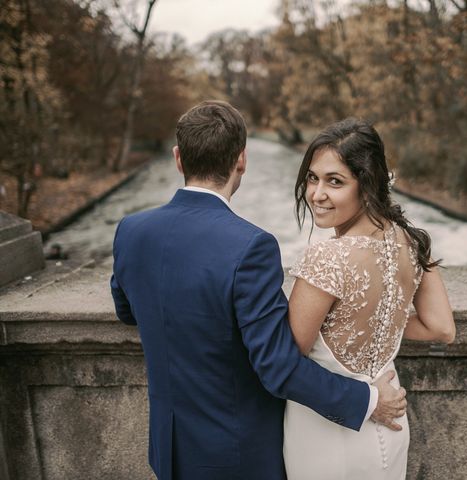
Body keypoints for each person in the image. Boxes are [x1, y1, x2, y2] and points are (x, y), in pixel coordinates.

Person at [110, 102, 406, 480]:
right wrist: (368, 401)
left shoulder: (131, 231)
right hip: (237, 456)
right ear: (242, 160)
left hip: (168, 447)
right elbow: (279, 367)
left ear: (178, 158)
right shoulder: (251, 246)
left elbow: (127, 309)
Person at [283, 118, 455, 479]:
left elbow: (286, 360)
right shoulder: (412, 242)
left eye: (335, 181)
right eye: (312, 178)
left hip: (326, 431)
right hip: (390, 424)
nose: (316, 193)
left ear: (368, 185)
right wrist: (379, 314)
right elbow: (441, 329)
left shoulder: (327, 258)